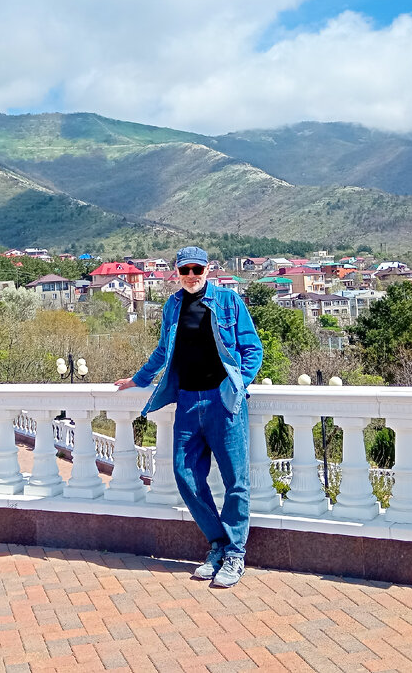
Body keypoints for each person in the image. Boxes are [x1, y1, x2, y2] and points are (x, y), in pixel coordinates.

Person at [115, 246, 263, 588]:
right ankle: (219, 544)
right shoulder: (173, 305)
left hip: (223, 402)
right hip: (187, 401)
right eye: (185, 271)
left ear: (208, 269)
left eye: (198, 269)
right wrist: (138, 379)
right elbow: (163, 351)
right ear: (177, 273)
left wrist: (238, 384)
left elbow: (252, 348)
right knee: (184, 475)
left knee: (235, 481)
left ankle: (236, 554)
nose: (192, 276)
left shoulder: (228, 301)